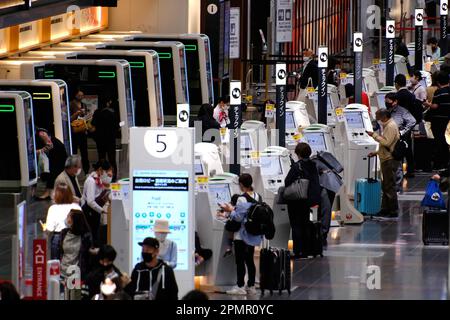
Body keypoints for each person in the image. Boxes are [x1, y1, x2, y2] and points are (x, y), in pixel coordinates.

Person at [219, 174, 263, 296]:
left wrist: (229, 211)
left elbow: (238, 218)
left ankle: (239, 286)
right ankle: (251, 286)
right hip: (253, 234)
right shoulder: (258, 196)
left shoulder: (241, 199)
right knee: (250, 260)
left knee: (240, 261)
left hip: (242, 235)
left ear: (241, 184)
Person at [284, 143, 321, 259]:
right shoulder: (313, 165)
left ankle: (298, 251)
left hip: (298, 201)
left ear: (298, 153)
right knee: (308, 224)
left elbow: (287, 181)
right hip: (311, 201)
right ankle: (310, 250)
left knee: (297, 225)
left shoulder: (297, 166)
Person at [367, 109, 400, 219]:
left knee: (389, 185)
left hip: (389, 160)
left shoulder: (390, 126)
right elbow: (387, 145)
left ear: (383, 116)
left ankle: (393, 210)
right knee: (386, 185)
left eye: (377, 115)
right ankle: (385, 209)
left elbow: (386, 142)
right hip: (386, 158)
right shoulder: (388, 125)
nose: (375, 116)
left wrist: (374, 135)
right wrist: (376, 153)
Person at [384, 93, 416, 183]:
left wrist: (402, 132)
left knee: (397, 163)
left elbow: (412, 121)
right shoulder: (386, 111)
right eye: (385, 101)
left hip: (397, 141)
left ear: (395, 102)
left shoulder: (402, 111)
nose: (386, 103)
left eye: (388, 102)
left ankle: (397, 186)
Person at [44, 183, 82, 260]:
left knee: (56, 265)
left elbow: (50, 228)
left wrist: (45, 228)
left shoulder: (53, 208)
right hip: (75, 239)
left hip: (58, 239)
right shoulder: (77, 208)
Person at [312, 155, 343, 248]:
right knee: (327, 208)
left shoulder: (313, 162)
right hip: (332, 183)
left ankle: (322, 234)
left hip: (326, 184)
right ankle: (323, 233)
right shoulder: (322, 156)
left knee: (325, 209)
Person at [82, 160, 112, 247]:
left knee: (96, 233)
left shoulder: (98, 180)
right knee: (92, 234)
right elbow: (90, 201)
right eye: (106, 172)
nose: (107, 174)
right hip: (89, 211)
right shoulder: (91, 181)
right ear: (100, 169)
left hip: (95, 211)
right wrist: (102, 210)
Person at [423, 71, 450, 170]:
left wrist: (427, 104)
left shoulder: (439, 92)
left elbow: (435, 106)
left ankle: (442, 163)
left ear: (438, 82)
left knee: (440, 141)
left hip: (438, 120)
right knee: (445, 140)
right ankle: (446, 163)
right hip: (447, 119)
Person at [90, 95, 119, 181]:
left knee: (101, 158)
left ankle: (101, 176)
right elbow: (117, 126)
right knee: (112, 159)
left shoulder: (97, 112)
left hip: (100, 140)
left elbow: (93, 125)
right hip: (111, 139)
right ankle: (113, 177)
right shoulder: (113, 112)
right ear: (107, 102)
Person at [60, 209, 94, 281]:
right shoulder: (64, 233)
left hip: (77, 275)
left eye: (68, 217)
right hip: (62, 273)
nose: (66, 219)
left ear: (75, 221)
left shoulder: (85, 236)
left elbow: (87, 256)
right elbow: (59, 252)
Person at [35, 128, 68, 200]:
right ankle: (49, 191)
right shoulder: (52, 141)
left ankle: (49, 192)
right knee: (50, 170)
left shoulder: (53, 143)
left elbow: (48, 147)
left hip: (59, 163)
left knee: (51, 171)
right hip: (58, 161)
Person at [70, 89, 90, 175]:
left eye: (82, 95)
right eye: (79, 95)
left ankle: (86, 171)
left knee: (84, 153)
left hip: (82, 131)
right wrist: (77, 113)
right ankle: (73, 171)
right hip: (74, 132)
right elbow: (69, 118)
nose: (81, 97)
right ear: (75, 95)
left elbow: (85, 117)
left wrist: (87, 116)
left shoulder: (84, 105)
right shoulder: (71, 104)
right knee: (74, 153)